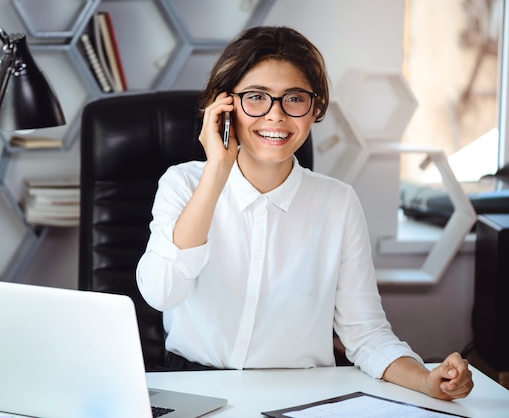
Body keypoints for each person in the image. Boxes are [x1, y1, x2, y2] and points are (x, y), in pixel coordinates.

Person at [136, 25, 473, 400]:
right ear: (225, 106)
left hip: (299, 397)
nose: (276, 116)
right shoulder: (181, 184)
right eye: (256, 97)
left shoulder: (338, 202)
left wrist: (426, 380)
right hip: (192, 389)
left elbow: (365, 332)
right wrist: (217, 170)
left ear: (315, 109)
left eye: (294, 99)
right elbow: (162, 293)